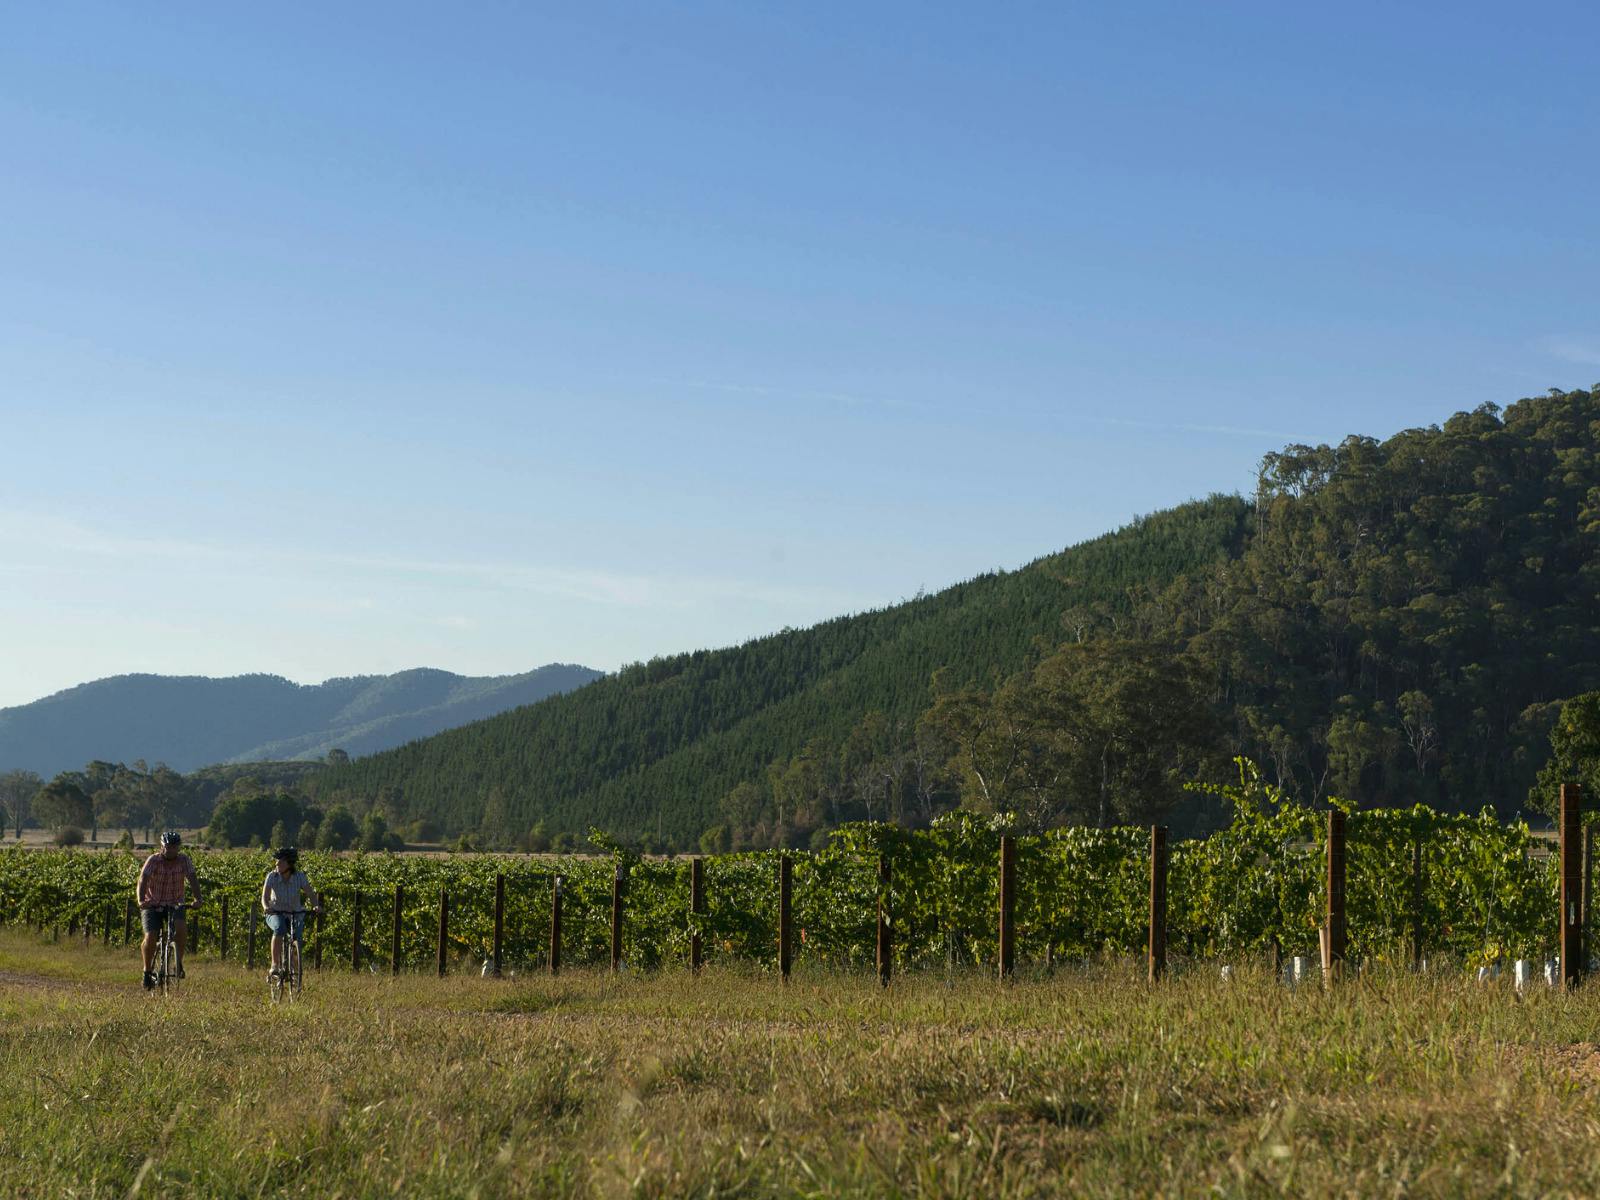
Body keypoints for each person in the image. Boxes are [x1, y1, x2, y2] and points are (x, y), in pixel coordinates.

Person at [137, 831, 201, 990]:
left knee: (180, 928)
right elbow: (142, 880)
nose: (170, 850)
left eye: (174, 847)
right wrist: (141, 900)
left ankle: (178, 962)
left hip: (175, 903)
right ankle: (147, 971)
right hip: (153, 904)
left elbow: (192, 878)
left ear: (178, 848)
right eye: (167, 847)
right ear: (162, 847)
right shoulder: (153, 860)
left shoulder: (184, 860)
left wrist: (198, 899)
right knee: (151, 936)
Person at [261, 846, 321, 981]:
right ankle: (275, 965)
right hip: (275, 912)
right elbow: (264, 897)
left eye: (281, 861)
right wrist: (266, 907)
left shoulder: (300, 877)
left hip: (295, 913)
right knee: (279, 928)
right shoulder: (272, 876)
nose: (277, 864)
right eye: (276, 861)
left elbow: (310, 893)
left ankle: (294, 970)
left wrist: (316, 905)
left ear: (290, 864)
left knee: (296, 938)